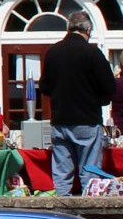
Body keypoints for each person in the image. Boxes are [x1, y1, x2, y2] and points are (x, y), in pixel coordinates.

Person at [38, 18, 116, 192]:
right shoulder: (92, 53)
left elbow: (44, 87)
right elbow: (109, 87)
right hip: (87, 119)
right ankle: (89, 207)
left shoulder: (53, 52)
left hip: (60, 119)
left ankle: (61, 207)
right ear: (88, 30)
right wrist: (100, 99)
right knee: (89, 173)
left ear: (69, 28)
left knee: (62, 175)